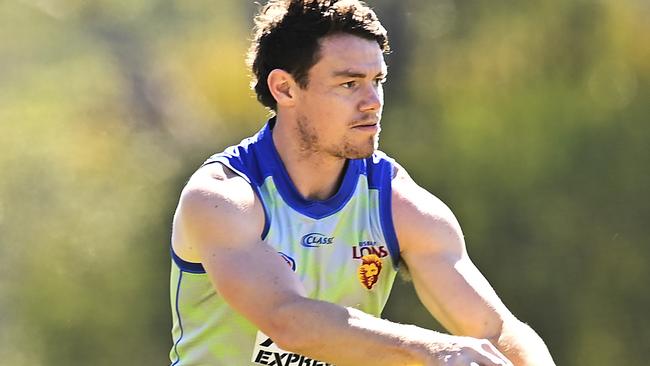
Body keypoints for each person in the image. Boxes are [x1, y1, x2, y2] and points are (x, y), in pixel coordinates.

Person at [169, 0, 556, 365]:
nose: (372, 101)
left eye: (377, 81)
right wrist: (434, 350)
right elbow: (286, 319)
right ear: (284, 89)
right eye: (349, 84)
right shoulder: (221, 199)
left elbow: (496, 329)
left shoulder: (398, 204)